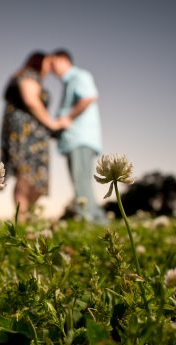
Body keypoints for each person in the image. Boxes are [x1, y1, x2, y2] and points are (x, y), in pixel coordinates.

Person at [0, 51, 68, 217]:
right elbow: (31, 100)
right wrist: (53, 123)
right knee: (25, 176)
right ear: (38, 62)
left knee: (36, 180)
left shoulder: (29, 77)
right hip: (25, 135)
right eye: (47, 64)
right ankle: (21, 220)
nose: (50, 69)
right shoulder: (29, 75)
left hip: (35, 136)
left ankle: (26, 216)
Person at [51, 49, 108, 224]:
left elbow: (89, 97)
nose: (52, 69)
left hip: (80, 139)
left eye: (53, 64)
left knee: (82, 183)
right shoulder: (69, 82)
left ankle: (94, 222)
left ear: (64, 60)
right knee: (80, 182)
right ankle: (93, 220)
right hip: (73, 140)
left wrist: (67, 118)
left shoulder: (79, 76)